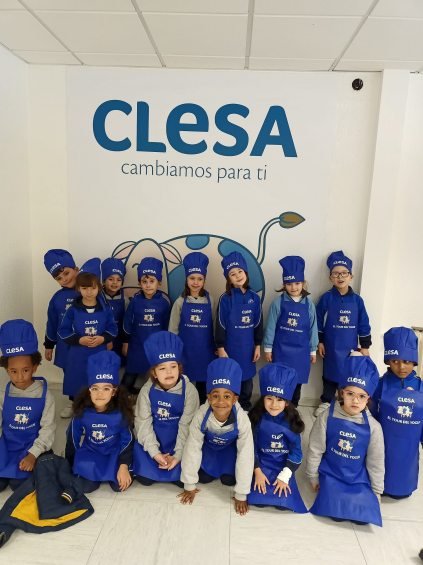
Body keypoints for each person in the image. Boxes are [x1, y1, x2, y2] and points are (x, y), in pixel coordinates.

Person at [306, 355, 384, 526]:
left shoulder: (374, 427)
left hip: (357, 477)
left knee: (363, 518)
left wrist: (376, 492)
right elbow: (315, 449)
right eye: (350, 394)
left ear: (368, 398)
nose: (355, 400)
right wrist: (313, 476)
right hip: (331, 474)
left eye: (362, 396)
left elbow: (375, 461)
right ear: (341, 392)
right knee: (335, 514)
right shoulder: (326, 417)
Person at [179, 357, 254, 516]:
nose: (220, 402)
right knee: (203, 478)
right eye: (215, 396)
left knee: (229, 481)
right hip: (210, 451)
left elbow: (246, 454)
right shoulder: (201, 415)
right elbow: (192, 447)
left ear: (235, 399)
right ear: (208, 397)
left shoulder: (242, 419)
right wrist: (189, 484)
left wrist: (241, 494)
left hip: (229, 452)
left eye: (227, 396)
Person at [133, 331, 199, 486]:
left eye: (173, 366)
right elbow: (143, 423)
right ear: (154, 373)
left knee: (181, 479)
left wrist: (178, 455)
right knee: (145, 480)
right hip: (153, 442)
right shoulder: (146, 391)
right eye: (162, 368)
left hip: (180, 443)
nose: (169, 372)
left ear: (179, 368)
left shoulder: (190, 391)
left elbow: (187, 425)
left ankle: (176, 463)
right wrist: (155, 453)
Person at [65, 350, 133, 492]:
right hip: (91, 451)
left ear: (114, 391)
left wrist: (123, 466)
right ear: (89, 390)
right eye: (95, 388)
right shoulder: (82, 412)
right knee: (86, 487)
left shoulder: (120, 413)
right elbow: (72, 437)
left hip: (113, 453)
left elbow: (127, 440)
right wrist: (71, 463)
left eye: (106, 388)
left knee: (118, 486)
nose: (100, 393)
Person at [0, 319, 55, 491]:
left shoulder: (45, 395)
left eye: (25, 370)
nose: (20, 377)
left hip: (32, 447)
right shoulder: (3, 395)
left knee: (19, 485)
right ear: (6, 369)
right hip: (8, 447)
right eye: (13, 371)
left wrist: (33, 454)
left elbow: (48, 429)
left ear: (35, 367)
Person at [315, 250, 371, 416]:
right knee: (329, 374)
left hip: (350, 347)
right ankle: (326, 401)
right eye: (336, 273)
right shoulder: (326, 298)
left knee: (349, 375)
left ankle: (344, 403)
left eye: (344, 273)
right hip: (331, 345)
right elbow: (318, 321)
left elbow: (364, 323)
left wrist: (365, 346)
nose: (340, 277)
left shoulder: (357, 300)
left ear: (351, 276)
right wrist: (320, 341)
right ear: (330, 278)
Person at [371, 327, 423, 499]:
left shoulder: (420, 387)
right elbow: (371, 413)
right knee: (383, 467)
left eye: (407, 361)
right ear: (388, 361)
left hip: (409, 444)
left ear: (414, 361)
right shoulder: (380, 384)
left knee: (405, 470)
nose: (401, 367)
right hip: (385, 441)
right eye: (395, 361)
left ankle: (403, 487)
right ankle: (381, 485)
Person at [248, 363, 307, 512]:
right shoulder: (255, 418)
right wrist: (257, 471)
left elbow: (296, 452)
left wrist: (285, 476)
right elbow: (250, 447)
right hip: (261, 464)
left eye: (280, 400)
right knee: (258, 501)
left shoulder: (292, 422)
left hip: (283, 465)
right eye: (269, 398)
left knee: (283, 503)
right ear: (263, 399)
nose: (274, 404)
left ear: (287, 402)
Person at [58, 258, 118, 402]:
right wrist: (79, 340)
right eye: (84, 288)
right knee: (77, 381)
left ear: (99, 288)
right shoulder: (73, 310)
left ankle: (97, 404)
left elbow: (113, 328)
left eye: (92, 288)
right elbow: (63, 331)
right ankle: (75, 404)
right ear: (78, 289)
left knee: (97, 380)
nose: (89, 292)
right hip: (77, 354)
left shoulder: (105, 309)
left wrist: (103, 338)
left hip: (99, 352)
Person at [263, 256, 318, 407]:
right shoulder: (278, 303)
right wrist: (268, 348)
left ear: (303, 283)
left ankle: (293, 408)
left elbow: (313, 328)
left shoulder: (309, 305)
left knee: (297, 382)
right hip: (281, 351)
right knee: (279, 382)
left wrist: (313, 350)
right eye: (289, 284)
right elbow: (271, 326)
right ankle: (279, 408)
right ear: (284, 285)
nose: (294, 287)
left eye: (297, 283)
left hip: (301, 353)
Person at [215, 252, 263, 411]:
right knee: (230, 377)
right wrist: (220, 347)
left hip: (248, 347)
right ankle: (231, 407)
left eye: (240, 271)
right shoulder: (225, 299)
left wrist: (258, 345)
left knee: (247, 380)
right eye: (232, 274)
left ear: (246, 272)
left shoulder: (254, 298)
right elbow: (220, 324)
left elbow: (258, 323)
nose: (237, 276)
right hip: (230, 347)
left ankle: (245, 406)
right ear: (228, 279)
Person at [168, 252, 215, 404]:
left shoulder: (210, 300)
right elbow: (173, 329)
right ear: (186, 279)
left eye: (200, 279)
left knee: (203, 384)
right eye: (192, 278)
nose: (196, 282)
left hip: (205, 350)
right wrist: (173, 351)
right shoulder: (180, 302)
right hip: (185, 351)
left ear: (204, 280)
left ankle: (201, 407)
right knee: (184, 384)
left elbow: (213, 325)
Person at [122, 257, 171, 395]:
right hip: (136, 345)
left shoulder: (164, 303)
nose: (148, 285)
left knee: (155, 375)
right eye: (144, 282)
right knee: (130, 372)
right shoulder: (135, 301)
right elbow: (127, 323)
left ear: (159, 282)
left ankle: (153, 397)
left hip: (155, 347)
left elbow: (167, 326)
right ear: (139, 283)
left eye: (152, 281)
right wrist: (125, 343)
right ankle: (121, 398)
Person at [43, 248, 79, 418]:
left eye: (66, 273)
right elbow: (52, 323)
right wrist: (49, 345)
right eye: (59, 278)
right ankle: (73, 402)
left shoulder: (89, 290)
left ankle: (90, 403)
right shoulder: (57, 299)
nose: (64, 279)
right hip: (65, 346)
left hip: (86, 344)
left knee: (87, 373)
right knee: (70, 374)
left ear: (76, 269)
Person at [101, 257, 127, 361]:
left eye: (119, 279)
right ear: (103, 281)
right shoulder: (97, 299)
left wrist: (126, 342)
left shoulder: (125, 300)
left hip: (119, 341)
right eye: (111, 279)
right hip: (102, 340)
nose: (115, 282)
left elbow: (127, 323)